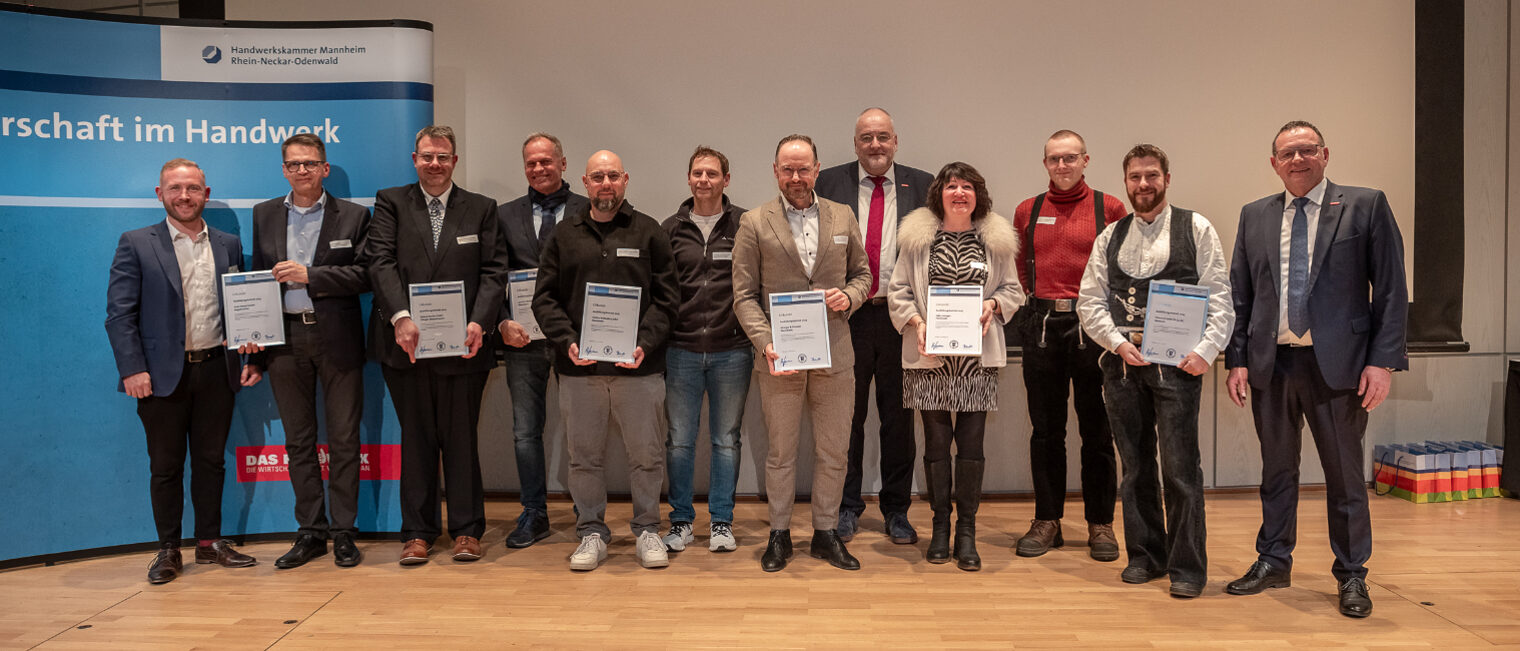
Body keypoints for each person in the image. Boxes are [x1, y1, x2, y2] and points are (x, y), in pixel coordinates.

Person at [1223, 121, 1407, 618]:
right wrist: (1235, 358)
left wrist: (1382, 362)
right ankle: (1273, 560)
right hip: (1272, 364)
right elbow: (1241, 296)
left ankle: (1352, 574)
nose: (1297, 159)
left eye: (1307, 150)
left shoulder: (1365, 205)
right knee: (1276, 471)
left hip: (1341, 368)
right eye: (1287, 153)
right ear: (1273, 162)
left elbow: (1390, 291)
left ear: (1325, 154)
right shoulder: (1255, 215)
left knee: (1345, 476)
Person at [1076, 144, 1233, 598]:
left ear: (1166, 178)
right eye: (1135, 177)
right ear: (1125, 182)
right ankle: (1145, 556)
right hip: (1124, 366)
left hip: (1179, 367)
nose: (1143, 185)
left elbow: (1219, 296)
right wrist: (1119, 344)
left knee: (1182, 470)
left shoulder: (1196, 228)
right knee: (1135, 467)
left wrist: (1205, 352)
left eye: (1151, 176)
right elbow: (1091, 299)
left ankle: (1188, 567)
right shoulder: (1110, 236)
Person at [106, 158, 262, 584]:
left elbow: (241, 308)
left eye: (193, 188)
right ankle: (169, 549)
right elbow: (119, 316)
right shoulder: (136, 243)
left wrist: (251, 352)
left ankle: (209, 543)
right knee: (166, 466)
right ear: (160, 194)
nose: (185, 196)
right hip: (158, 377)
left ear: (205, 195)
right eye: (175, 188)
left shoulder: (228, 244)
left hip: (217, 370)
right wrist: (132, 369)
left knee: (212, 462)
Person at [366, 125, 509, 566]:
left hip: (464, 345)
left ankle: (467, 531)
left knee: (462, 438)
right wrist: (400, 316)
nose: (434, 164)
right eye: (427, 156)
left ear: (455, 161)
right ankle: (418, 533)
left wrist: (479, 322)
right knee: (418, 439)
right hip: (404, 345)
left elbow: (494, 271)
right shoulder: (390, 202)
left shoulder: (482, 209)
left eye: (443, 157)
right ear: (415, 159)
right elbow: (380, 261)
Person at [532, 150, 679, 571]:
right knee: (584, 458)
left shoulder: (649, 231)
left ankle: (648, 529)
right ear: (584, 181)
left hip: (639, 369)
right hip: (579, 370)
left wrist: (644, 344)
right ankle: (591, 532)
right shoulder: (564, 235)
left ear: (625, 179)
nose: (606, 183)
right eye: (597, 177)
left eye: (613, 175)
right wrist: (567, 341)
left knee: (646, 456)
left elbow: (669, 301)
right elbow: (544, 300)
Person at [732, 134, 871, 572]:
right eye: (787, 169)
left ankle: (826, 533)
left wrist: (850, 297)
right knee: (781, 452)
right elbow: (743, 296)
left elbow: (863, 274)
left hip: (836, 354)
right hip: (780, 357)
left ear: (816, 169)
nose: (796, 177)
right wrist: (765, 341)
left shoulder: (842, 216)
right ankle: (779, 534)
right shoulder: (754, 222)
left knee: (834, 451)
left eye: (803, 168)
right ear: (776, 171)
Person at [887, 162, 1024, 571]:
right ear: (939, 194)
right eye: (952, 186)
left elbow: (1013, 290)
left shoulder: (995, 240)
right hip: (929, 358)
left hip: (976, 362)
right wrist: (917, 323)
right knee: (935, 448)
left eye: (967, 186)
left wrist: (993, 304)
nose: (959, 193)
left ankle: (967, 531)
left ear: (977, 194)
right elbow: (898, 292)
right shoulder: (917, 239)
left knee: (971, 449)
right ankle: (941, 527)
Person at [249, 134, 371, 569]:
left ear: (325, 168)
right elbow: (257, 284)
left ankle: (343, 533)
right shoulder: (263, 214)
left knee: (343, 440)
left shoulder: (355, 216)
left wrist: (310, 275)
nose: (302, 170)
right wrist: (255, 351)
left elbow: (365, 275)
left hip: (336, 339)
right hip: (284, 341)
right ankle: (310, 532)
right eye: (294, 164)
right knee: (298, 441)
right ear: (284, 170)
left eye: (311, 163)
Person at [815, 108, 933, 544]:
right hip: (844, 316)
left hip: (901, 316)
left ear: (896, 141)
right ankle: (846, 506)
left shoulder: (923, 185)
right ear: (855, 144)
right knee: (846, 417)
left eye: (883, 136)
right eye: (867, 137)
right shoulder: (828, 183)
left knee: (899, 419)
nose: (876, 145)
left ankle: (897, 509)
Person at [1010, 130, 1127, 561]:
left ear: (1086, 160)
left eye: (1070, 159)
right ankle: (1047, 520)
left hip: (1093, 329)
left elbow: (1122, 266)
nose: (1062, 167)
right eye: (1054, 160)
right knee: (1045, 431)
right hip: (1041, 326)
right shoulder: (1028, 210)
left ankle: (1100, 524)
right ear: (1045, 164)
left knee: (1098, 430)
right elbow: (1019, 266)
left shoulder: (1109, 207)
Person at [495, 132, 590, 549]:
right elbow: (490, 276)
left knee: (582, 429)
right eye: (531, 163)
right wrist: (500, 322)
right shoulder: (503, 216)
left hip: (575, 340)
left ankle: (587, 513)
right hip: (523, 342)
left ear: (563, 163)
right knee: (525, 431)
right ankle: (534, 512)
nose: (539, 169)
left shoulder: (590, 210)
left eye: (546, 161)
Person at [660, 146, 751, 553]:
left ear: (726, 180)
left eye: (712, 173)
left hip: (732, 350)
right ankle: (680, 521)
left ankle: (721, 522)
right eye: (697, 172)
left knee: (725, 440)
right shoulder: (670, 228)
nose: (704, 180)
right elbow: (660, 291)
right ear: (689, 177)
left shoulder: (745, 225)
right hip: (680, 350)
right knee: (679, 439)